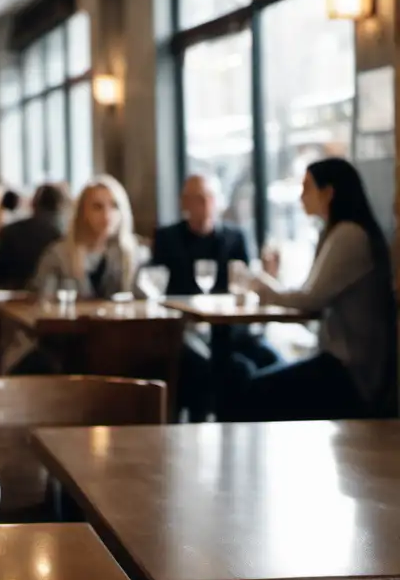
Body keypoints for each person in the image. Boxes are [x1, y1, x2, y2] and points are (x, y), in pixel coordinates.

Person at [238, 159, 397, 421]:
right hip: (344, 365)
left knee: (254, 392)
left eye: (307, 187)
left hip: (352, 375)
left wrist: (261, 285)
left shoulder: (349, 235)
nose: (301, 196)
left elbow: (310, 299)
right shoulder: (336, 232)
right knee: (253, 379)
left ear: (328, 193)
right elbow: (311, 296)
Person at [150, 174, 280, 421]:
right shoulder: (167, 238)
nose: (205, 204)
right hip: (183, 330)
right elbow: (157, 285)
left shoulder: (236, 237)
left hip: (229, 333)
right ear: (184, 203)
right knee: (205, 367)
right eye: (197, 198)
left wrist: (268, 277)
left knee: (267, 364)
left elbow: (245, 286)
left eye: (209, 197)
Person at [31, 176, 143, 299]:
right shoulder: (58, 255)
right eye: (97, 207)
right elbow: (44, 301)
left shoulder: (132, 254)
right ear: (83, 211)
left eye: (114, 206)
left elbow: (145, 301)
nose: (107, 215)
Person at [0, 184, 68, 290]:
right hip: (45, 299)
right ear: (59, 207)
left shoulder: (11, 230)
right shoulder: (61, 238)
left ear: (33, 204)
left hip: (8, 298)